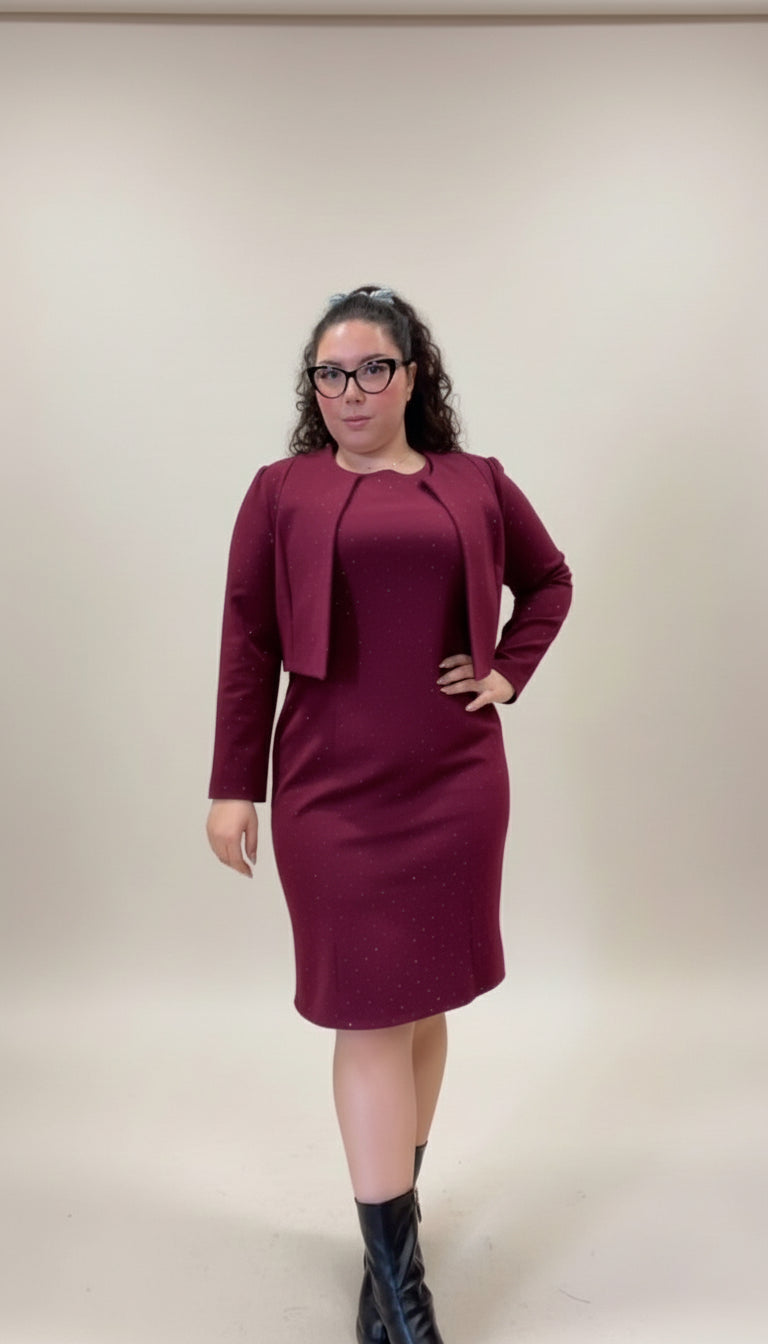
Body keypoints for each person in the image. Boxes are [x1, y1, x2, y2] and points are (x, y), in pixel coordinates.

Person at [206, 285, 572, 1344]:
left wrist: (505, 671)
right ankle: (405, 1303)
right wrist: (234, 784)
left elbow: (549, 582)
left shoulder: (476, 481)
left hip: (456, 782)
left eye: (373, 368)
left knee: (420, 1004)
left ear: (413, 375)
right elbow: (247, 641)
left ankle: (385, 1256)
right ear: (312, 387)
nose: (351, 390)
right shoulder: (281, 492)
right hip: (331, 788)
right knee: (368, 1013)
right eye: (330, 373)